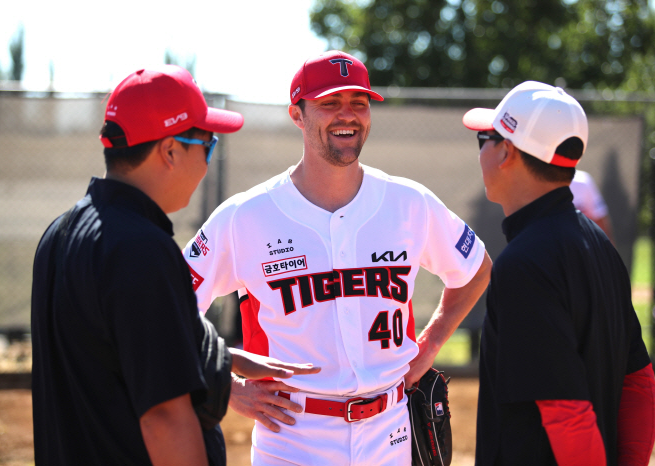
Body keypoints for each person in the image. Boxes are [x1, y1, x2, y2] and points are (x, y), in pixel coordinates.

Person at [183, 50, 492, 465]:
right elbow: (169, 312)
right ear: (298, 114)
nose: (347, 115)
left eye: (359, 103)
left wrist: (433, 339)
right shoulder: (246, 216)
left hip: (391, 432)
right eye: (330, 103)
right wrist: (229, 387)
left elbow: (476, 269)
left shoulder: (408, 202)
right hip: (292, 435)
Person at [31, 65, 319, 466]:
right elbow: (165, 416)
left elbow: (114, 347)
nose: (206, 163)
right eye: (208, 145)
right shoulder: (141, 250)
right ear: (170, 150)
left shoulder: (61, 233)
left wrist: (226, 359)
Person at [462, 81, 655, 466]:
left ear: (507, 151)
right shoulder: (600, 245)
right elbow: (639, 384)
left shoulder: (523, 265)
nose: (481, 149)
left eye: (485, 138)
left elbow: (566, 413)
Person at [570, 169, 615, 243]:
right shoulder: (544, 182)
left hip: (580, 248)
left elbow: (599, 219)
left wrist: (609, 250)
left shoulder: (582, 180)